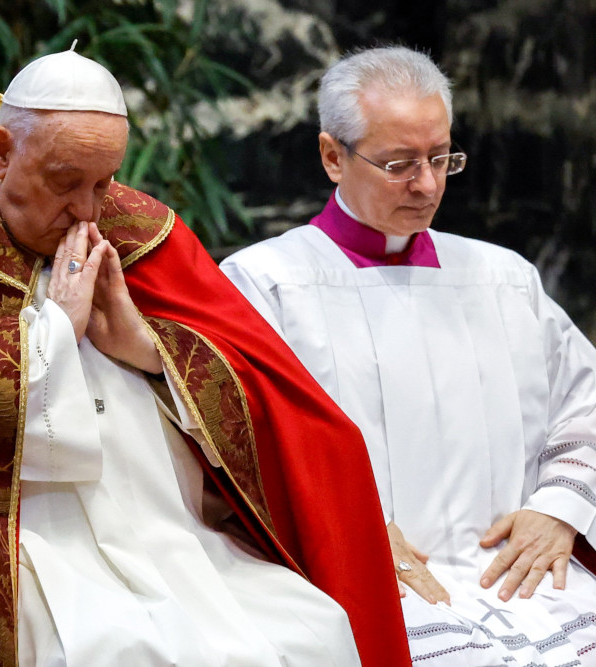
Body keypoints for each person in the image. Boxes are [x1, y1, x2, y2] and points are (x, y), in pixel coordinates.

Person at [0, 48, 410, 666]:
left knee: (312, 631)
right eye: (65, 181)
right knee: (126, 648)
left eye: (104, 182)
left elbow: (266, 385)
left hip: (165, 536)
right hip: (19, 546)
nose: (89, 211)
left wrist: (149, 350)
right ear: (0, 151)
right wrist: (57, 332)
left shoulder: (137, 227)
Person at [222, 45, 596, 666]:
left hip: (526, 580)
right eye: (399, 163)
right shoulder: (264, 286)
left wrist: (557, 510)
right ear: (332, 156)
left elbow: (584, 407)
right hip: (365, 583)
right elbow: (242, 444)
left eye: (441, 158)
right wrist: (348, 534)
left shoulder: (503, 278)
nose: (426, 185)